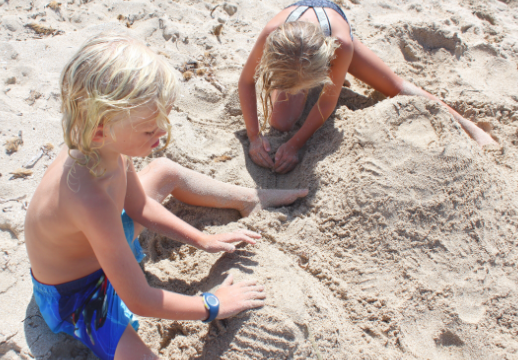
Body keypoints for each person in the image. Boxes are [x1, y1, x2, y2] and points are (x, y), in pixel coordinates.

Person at [24, 32, 308, 360]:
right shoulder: (90, 200)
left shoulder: (104, 147)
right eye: (148, 129)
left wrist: (202, 239)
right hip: (78, 295)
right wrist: (213, 305)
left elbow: (140, 206)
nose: (161, 133)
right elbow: (140, 300)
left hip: (106, 242)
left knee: (163, 171)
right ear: (100, 129)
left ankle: (248, 198)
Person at [238, 0, 497, 174]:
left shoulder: (341, 46)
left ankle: (471, 128)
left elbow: (327, 101)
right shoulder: (271, 35)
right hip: (296, 37)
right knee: (280, 122)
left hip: (330, 23)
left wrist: (296, 143)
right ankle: (296, 79)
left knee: (395, 86)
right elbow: (247, 81)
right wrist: (253, 137)